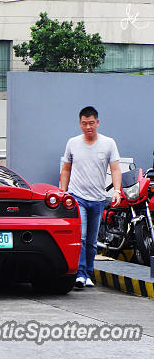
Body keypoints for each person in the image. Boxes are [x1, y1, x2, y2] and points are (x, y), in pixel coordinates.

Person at [59, 106, 121, 289]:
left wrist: (117, 190)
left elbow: (115, 169)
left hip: (98, 199)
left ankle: (88, 273)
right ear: (80, 124)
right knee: (82, 236)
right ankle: (80, 273)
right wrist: (63, 191)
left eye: (91, 123)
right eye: (84, 123)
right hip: (77, 196)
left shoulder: (108, 143)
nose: (88, 127)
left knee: (92, 241)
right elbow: (66, 169)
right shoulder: (72, 143)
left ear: (98, 123)